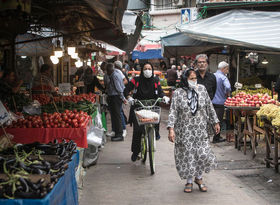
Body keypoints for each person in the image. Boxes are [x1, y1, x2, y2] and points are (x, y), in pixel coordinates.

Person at [167, 69, 220, 193]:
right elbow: (173, 111)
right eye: (191, 78)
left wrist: (215, 122)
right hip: (185, 130)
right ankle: (190, 181)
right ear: (185, 79)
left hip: (201, 129)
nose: (194, 81)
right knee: (189, 155)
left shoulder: (201, 89)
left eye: (195, 78)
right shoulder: (178, 93)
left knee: (202, 153)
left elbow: (209, 106)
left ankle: (199, 177)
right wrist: (171, 129)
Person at [126, 62, 168, 161]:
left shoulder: (155, 80)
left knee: (156, 121)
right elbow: (126, 90)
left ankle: (155, 133)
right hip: (138, 106)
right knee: (138, 130)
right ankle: (136, 151)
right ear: (142, 70)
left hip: (153, 106)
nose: (147, 71)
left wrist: (164, 97)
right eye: (145, 69)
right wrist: (129, 98)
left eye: (149, 68)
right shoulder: (135, 80)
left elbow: (160, 91)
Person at [106, 63, 126, 141]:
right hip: (114, 97)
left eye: (107, 71)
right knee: (114, 116)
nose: (106, 73)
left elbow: (119, 88)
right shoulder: (114, 74)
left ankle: (119, 135)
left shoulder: (114, 76)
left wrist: (123, 98)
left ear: (110, 70)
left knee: (117, 116)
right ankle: (117, 133)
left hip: (116, 98)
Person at [212, 61, 231, 143]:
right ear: (223, 69)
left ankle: (214, 136)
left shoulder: (212, 75)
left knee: (213, 119)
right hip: (220, 102)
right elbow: (228, 87)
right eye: (227, 69)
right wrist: (226, 93)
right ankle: (216, 138)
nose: (227, 71)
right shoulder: (223, 77)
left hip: (212, 101)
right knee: (218, 120)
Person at [114, 60, 128, 137]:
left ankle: (123, 129)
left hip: (119, 94)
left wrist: (119, 85)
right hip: (118, 94)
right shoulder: (117, 72)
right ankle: (117, 129)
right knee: (118, 113)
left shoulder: (118, 72)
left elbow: (125, 81)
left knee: (120, 112)